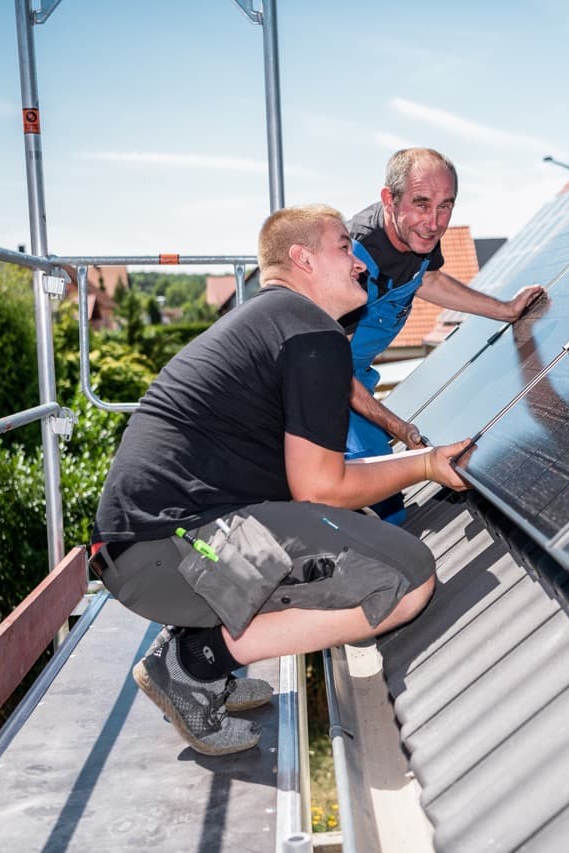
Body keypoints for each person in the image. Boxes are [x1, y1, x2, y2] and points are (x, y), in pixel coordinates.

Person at [89, 204, 470, 756]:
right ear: (303, 259)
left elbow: (315, 482)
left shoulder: (276, 323)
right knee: (408, 576)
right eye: (344, 247)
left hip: (145, 550)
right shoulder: (312, 333)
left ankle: (196, 646)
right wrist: (427, 466)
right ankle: (195, 665)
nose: (360, 263)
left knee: (343, 529)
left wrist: (425, 461)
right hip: (170, 556)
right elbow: (320, 491)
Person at [344, 148, 544, 522]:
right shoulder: (354, 259)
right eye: (421, 204)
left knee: (384, 492)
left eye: (445, 207)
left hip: (357, 374)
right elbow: (327, 365)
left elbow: (429, 280)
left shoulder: (417, 237)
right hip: (325, 384)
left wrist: (505, 310)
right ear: (389, 199)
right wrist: (397, 427)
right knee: (376, 496)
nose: (434, 222)